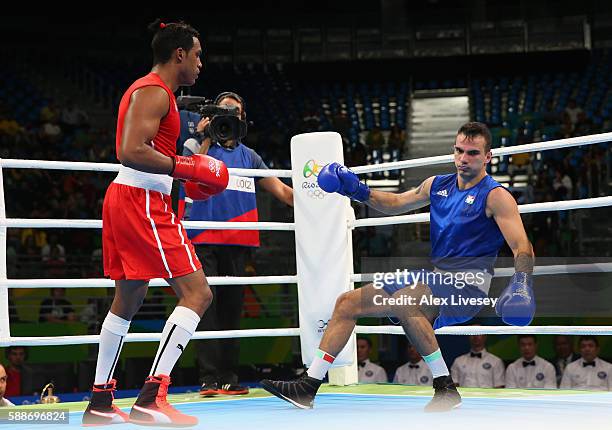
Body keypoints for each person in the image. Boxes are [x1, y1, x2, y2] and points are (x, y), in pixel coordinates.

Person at [261, 122, 535, 412]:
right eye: (459, 150)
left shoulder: (496, 196)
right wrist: (356, 189)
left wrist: (521, 283)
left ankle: (445, 388)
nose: (463, 159)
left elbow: (522, 246)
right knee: (347, 303)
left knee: (406, 303)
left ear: (488, 157)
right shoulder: (437, 185)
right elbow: (394, 203)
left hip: (468, 285)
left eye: (472, 153)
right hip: (434, 279)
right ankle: (308, 386)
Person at [82, 20, 229, 427]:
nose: (201, 62)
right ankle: (152, 396)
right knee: (197, 293)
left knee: (127, 300)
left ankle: (98, 401)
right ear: (179, 54)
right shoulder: (153, 90)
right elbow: (129, 150)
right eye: (197, 54)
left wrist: (186, 165)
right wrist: (186, 166)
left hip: (135, 198)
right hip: (142, 200)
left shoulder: (158, 93)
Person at [178, 91, 293, 396]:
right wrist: (203, 137)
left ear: (243, 118)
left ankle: (228, 377)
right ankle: (208, 379)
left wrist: (320, 198)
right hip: (202, 241)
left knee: (231, 311)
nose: (230, 114)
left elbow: (283, 193)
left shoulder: (251, 157)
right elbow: (186, 172)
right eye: (224, 110)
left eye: (235, 111)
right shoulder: (202, 148)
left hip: (238, 244)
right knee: (206, 309)